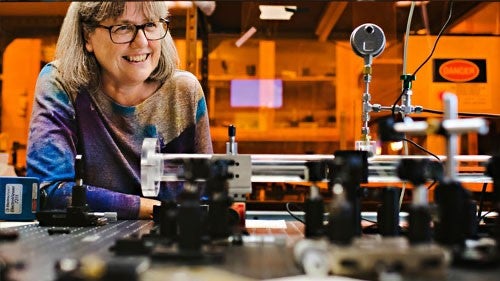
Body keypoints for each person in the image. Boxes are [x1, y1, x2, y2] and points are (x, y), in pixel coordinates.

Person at [26, 1, 213, 220]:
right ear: (88, 37)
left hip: (170, 246)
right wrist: (153, 209)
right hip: (85, 248)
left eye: (151, 25)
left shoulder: (184, 92)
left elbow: (207, 197)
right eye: (123, 28)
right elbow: (48, 193)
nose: (141, 42)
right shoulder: (62, 84)